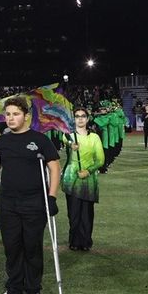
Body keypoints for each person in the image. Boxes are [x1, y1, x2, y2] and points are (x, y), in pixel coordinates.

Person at [0, 96, 61, 294]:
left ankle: (33, 288)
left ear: (26, 116)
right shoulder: (2, 141)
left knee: (31, 247)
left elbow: (54, 168)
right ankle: (14, 286)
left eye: (15, 114)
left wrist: (51, 197)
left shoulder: (40, 139)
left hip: (34, 203)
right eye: (8, 114)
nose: (11, 118)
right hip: (8, 203)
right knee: (12, 246)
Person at [63, 107, 105, 251]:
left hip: (88, 180)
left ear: (87, 119)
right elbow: (66, 141)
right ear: (73, 119)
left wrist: (88, 171)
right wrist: (71, 145)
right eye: (77, 116)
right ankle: (74, 241)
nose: (80, 119)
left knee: (87, 214)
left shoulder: (94, 137)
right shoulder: (69, 136)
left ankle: (86, 241)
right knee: (73, 213)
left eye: (83, 116)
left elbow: (100, 160)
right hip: (71, 180)